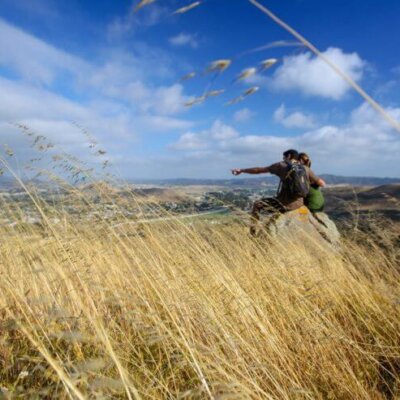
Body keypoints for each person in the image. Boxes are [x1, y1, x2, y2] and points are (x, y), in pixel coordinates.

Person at [231, 149, 325, 236]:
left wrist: (242, 170)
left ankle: (253, 231)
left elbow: (259, 170)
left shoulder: (281, 165)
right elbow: (321, 183)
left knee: (258, 204)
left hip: (283, 205)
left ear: (288, 156)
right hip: (299, 205)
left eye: (284, 157)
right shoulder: (305, 168)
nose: (283, 159)